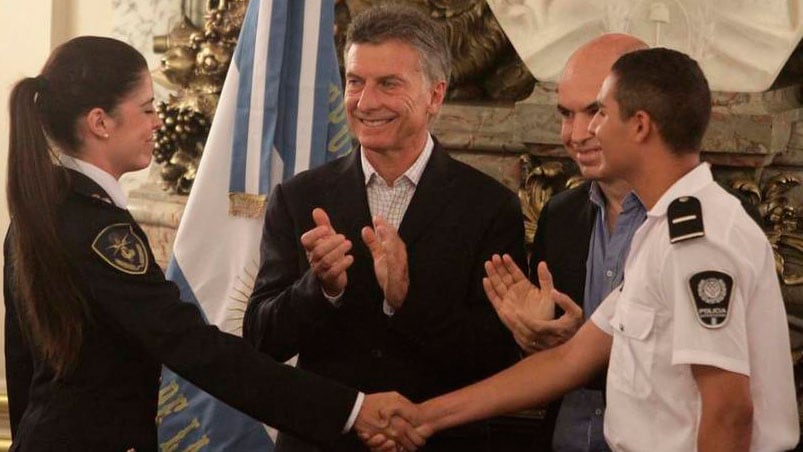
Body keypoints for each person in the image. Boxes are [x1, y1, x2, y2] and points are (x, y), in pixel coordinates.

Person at [3, 35, 422, 452]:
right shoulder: (102, 235)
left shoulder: (41, 210)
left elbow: (24, 363)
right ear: (100, 122)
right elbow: (196, 349)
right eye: (147, 109)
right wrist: (351, 409)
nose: (158, 122)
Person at [397, 48, 800, 451]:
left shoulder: (699, 240)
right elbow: (570, 360)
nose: (584, 132)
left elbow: (729, 410)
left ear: (640, 126)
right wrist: (425, 417)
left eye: (601, 113)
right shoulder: (661, 229)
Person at [243, 4, 525, 451]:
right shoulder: (299, 198)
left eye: (388, 84)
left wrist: (406, 299)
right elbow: (261, 340)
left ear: (435, 95)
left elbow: (497, 358)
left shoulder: (491, 207)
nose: (366, 102)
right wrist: (321, 288)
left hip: (438, 441)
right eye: (355, 82)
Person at [485, 33, 647, 452]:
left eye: (594, 111)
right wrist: (530, 338)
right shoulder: (558, 216)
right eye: (565, 114)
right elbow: (538, 362)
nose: (574, 134)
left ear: (645, 113)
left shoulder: (708, 216)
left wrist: (576, 352)